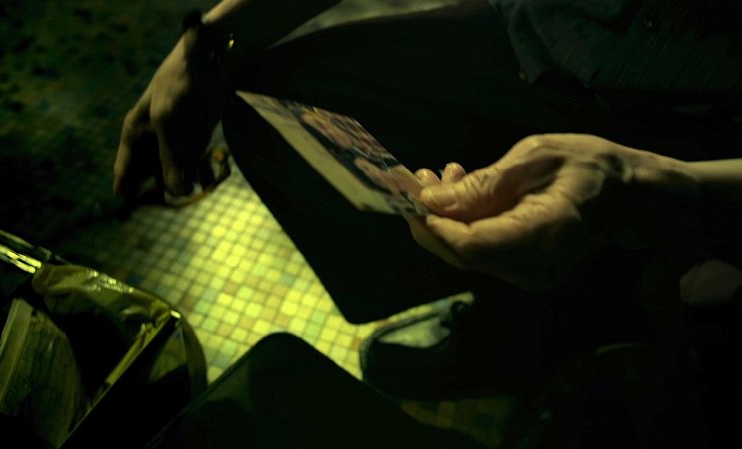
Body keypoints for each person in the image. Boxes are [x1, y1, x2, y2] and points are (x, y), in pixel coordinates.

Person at [115, 1, 741, 445]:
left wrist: (667, 185)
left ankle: (586, 320)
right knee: (272, 95)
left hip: (714, 128)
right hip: (549, 29)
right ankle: (517, 304)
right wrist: (215, 40)